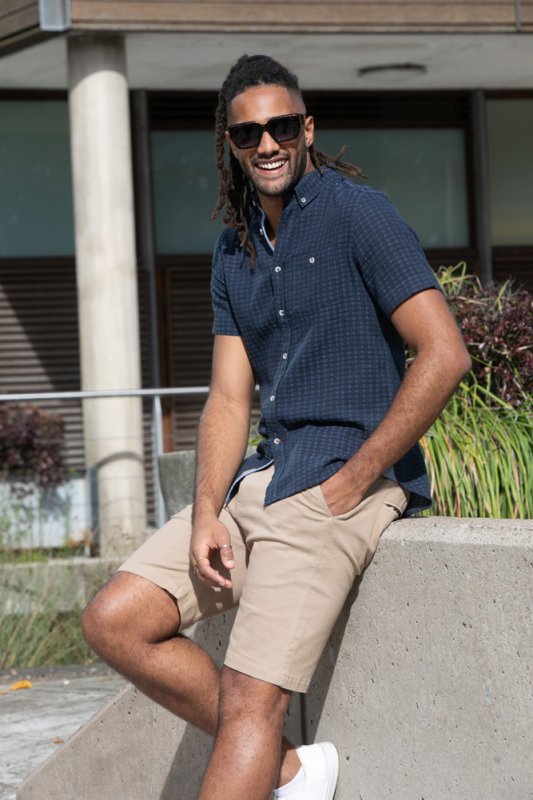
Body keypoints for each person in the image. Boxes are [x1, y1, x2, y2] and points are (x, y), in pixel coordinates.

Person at [82, 54, 471, 800]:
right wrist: (205, 511)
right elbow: (230, 400)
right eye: (248, 133)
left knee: (249, 703)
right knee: (114, 621)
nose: (267, 143)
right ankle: (293, 772)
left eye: (282, 127)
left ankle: (273, 759)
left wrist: (356, 478)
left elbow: (443, 353)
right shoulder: (234, 251)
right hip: (263, 479)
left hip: (336, 489)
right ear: (230, 144)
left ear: (307, 129)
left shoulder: (359, 215)